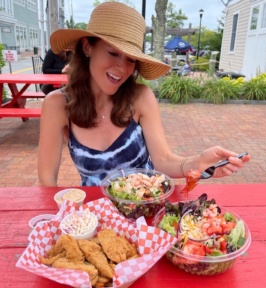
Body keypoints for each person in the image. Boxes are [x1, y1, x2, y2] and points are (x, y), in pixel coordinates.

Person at [38, 2, 250, 187]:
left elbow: (163, 160)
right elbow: (47, 181)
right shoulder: (57, 105)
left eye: (131, 59)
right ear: (87, 47)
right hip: (93, 218)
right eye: (113, 53)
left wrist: (199, 163)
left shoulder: (139, 98)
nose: (122, 68)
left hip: (144, 213)